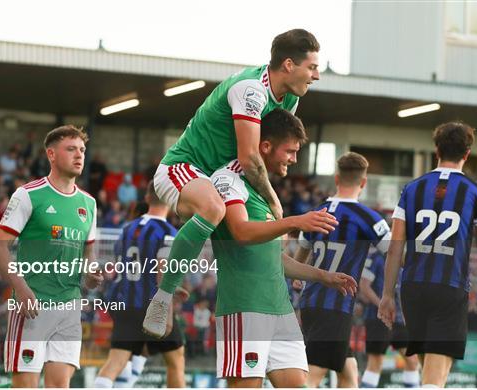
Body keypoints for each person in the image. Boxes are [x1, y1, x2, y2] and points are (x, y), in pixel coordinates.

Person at [144, 29, 338, 337]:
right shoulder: (251, 90)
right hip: (186, 168)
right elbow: (250, 157)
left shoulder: (289, 97)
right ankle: (163, 296)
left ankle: (177, 255)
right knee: (212, 208)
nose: (316, 76)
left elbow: (266, 150)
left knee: (258, 233)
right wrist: (277, 205)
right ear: (288, 65)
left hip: (226, 177)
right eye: (312, 67)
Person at [210, 108, 356, 388]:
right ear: (266, 146)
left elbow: (274, 259)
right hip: (245, 308)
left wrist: (325, 277)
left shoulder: (265, 193)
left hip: (280, 308)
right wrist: (295, 221)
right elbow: (240, 232)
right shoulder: (228, 179)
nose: (294, 159)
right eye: (290, 151)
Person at [378, 121, 477, 388]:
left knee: (432, 370)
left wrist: (387, 295)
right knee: (435, 377)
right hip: (449, 287)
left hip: (412, 287)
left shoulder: (412, 188)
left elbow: (394, 247)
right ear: (467, 153)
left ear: (436, 150)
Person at [0, 125, 103, 388]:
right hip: (32, 306)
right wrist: (21, 288)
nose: (79, 155)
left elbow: (88, 252)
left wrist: (90, 274)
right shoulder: (29, 194)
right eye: (71, 149)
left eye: (83, 150)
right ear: (51, 154)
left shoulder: (89, 203)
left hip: (69, 308)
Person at [294, 152, 392, 388]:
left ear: (336, 179)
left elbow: (300, 254)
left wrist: (299, 278)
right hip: (334, 306)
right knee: (313, 375)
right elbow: (395, 253)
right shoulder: (369, 218)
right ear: (364, 182)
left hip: (310, 302)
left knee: (349, 371)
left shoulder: (316, 212)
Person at [94, 182, 187, 388]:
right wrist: (167, 312)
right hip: (151, 305)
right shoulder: (168, 232)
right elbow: (163, 273)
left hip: (124, 303)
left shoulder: (126, 229)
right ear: (172, 201)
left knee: (117, 360)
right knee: (175, 360)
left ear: (146, 198)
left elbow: (127, 267)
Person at [359, 250, 420, 388]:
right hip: (378, 318)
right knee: (376, 362)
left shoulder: (403, 258)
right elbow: (364, 285)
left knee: (412, 360)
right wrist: (382, 306)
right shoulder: (375, 257)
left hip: (398, 318)